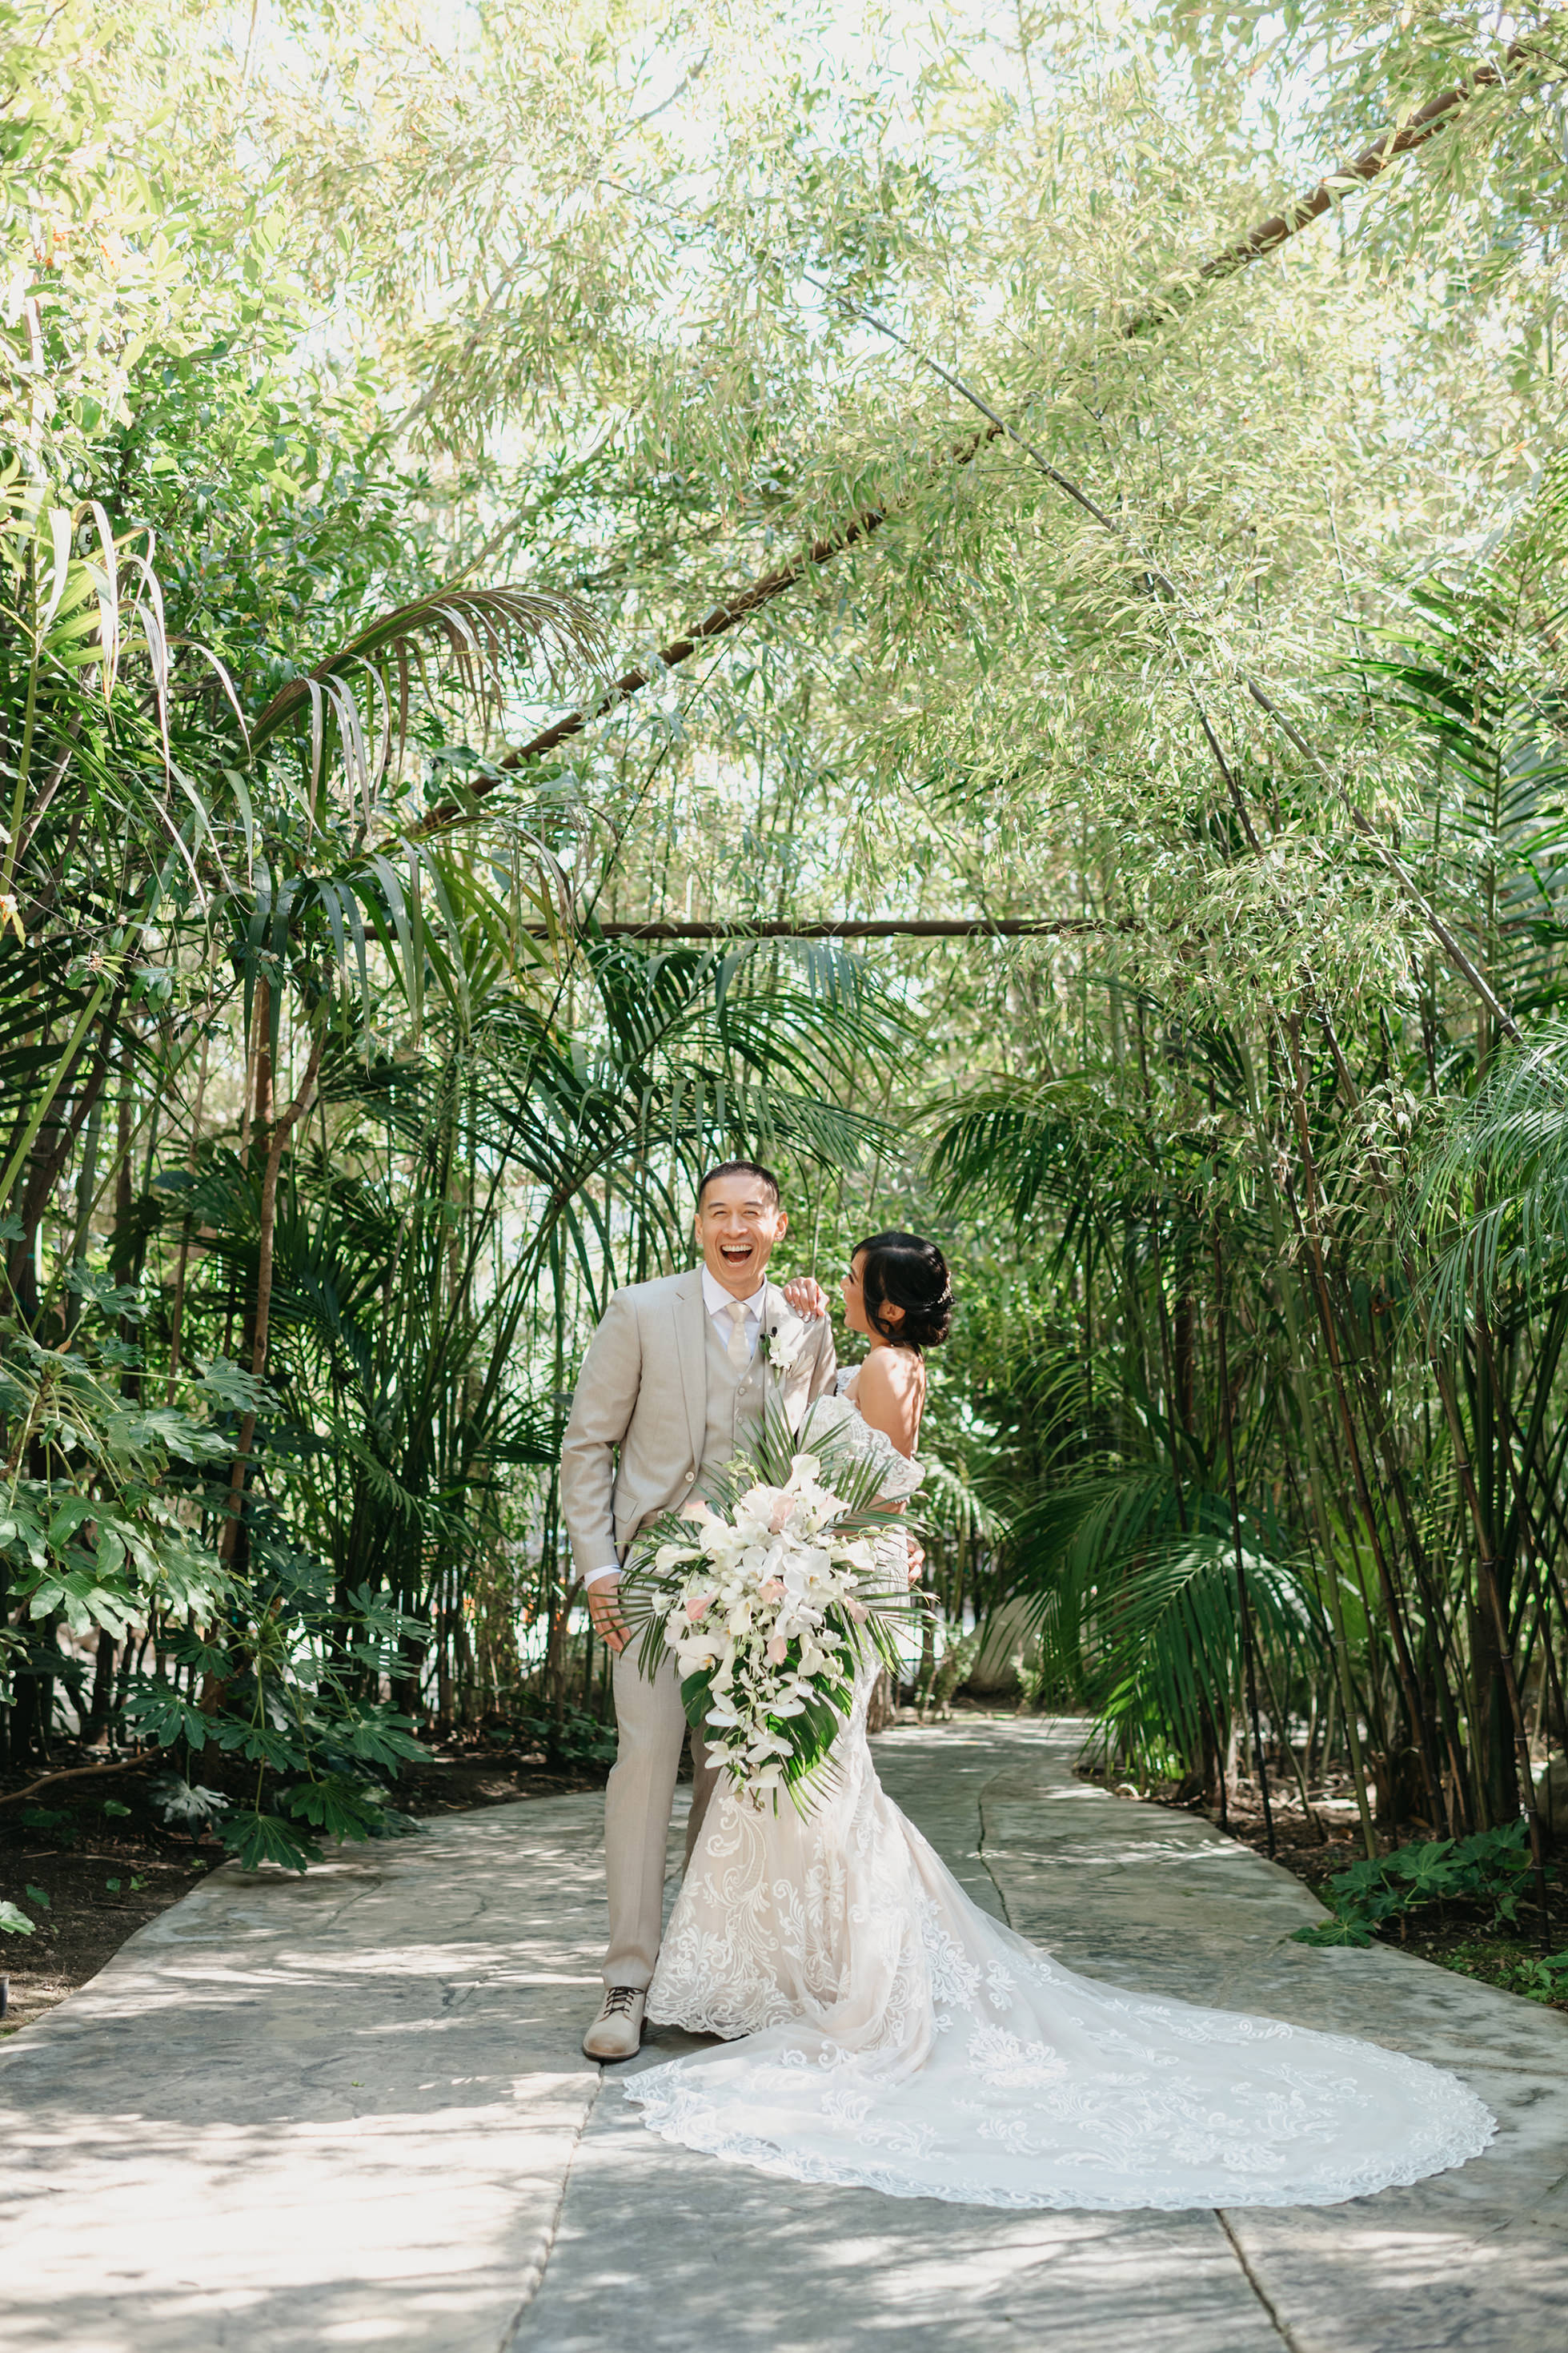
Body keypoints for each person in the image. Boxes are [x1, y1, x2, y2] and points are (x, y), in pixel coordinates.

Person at [616, 1231, 1497, 2211]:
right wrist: (806, 1343)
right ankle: (801, 1970)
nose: (850, 1284)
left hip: (825, 1581)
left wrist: (786, 1518)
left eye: (860, 1278)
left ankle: (818, 1979)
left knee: (805, 1773)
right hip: (834, 1578)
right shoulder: (892, 1364)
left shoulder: (880, 1366)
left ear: (890, 1305)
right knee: (815, 1777)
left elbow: (835, 1488)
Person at [559, 1159, 836, 2062]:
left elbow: (819, 1453)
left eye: (750, 1211)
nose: (734, 1226)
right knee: (643, 1762)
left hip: (756, 1584)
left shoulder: (802, 1322)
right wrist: (599, 1567)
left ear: (778, 1224)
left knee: (732, 1777)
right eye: (718, 1211)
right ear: (697, 1225)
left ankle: (710, 1975)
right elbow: (588, 1444)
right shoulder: (640, 1310)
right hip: (648, 1573)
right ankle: (628, 1979)